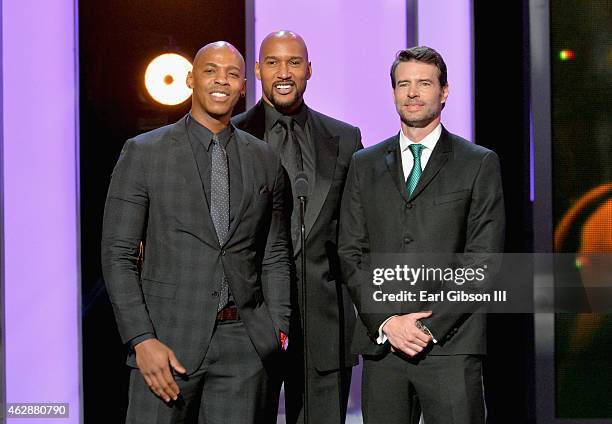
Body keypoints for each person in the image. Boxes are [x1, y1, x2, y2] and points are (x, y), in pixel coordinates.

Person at [101, 41, 292, 424]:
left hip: (245, 346)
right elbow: (118, 255)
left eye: (233, 74)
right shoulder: (144, 152)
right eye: (210, 71)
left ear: (243, 87)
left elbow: (274, 252)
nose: (221, 80)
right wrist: (141, 340)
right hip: (165, 343)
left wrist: (278, 330)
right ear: (191, 79)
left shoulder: (264, 159)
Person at [338, 46, 505, 424]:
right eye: (404, 84)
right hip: (384, 348)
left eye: (424, 84)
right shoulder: (364, 165)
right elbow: (351, 252)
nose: (413, 93)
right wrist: (387, 322)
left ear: (444, 91)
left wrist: (427, 326)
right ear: (394, 91)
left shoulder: (477, 163)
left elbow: (483, 259)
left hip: (451, 345)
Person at [232, 30, 362, 424]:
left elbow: (358, 231)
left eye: (293, 62)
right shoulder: (231, 136)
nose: (283, 72)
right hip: (251, 321)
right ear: (257, 71)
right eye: (272, 62)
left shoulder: (344, 138)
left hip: (325, 325)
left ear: (309, 70)